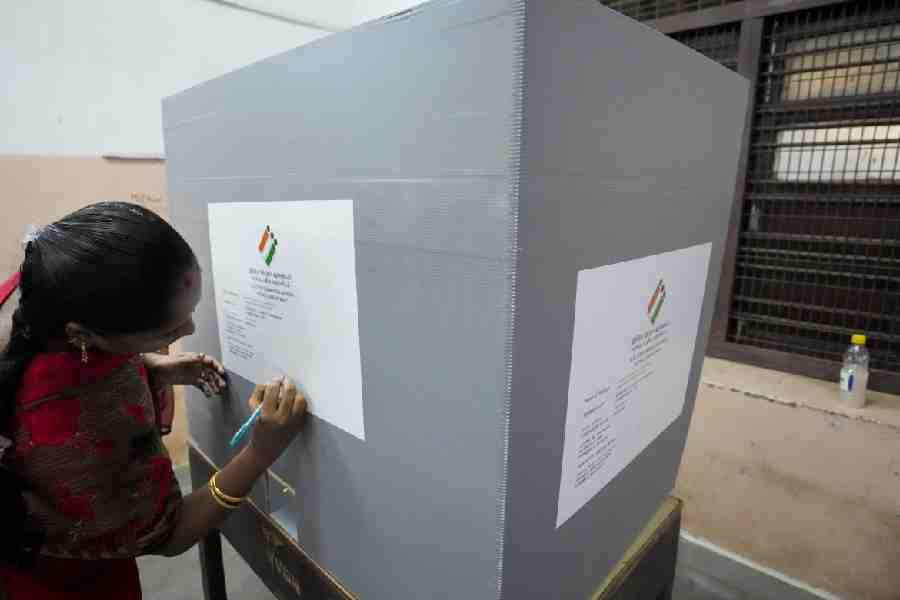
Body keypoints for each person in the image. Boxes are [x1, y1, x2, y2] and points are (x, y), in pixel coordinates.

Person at [0, 202, 306, 599]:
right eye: (166, 331)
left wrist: (153, 367)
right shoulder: (77, 436)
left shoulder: (48, 281)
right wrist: (261, 453)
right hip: (58, 582)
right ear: (83, 335)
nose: (190, 329)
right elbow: (173, 533)